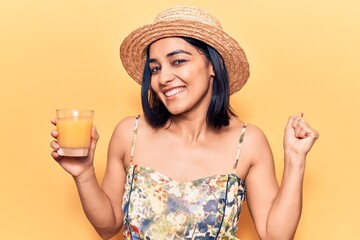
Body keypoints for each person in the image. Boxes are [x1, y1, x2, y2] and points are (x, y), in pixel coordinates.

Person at [50, 5, 319, 240]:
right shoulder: (129, 134)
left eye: (177, 61)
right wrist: (84, 173)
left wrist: (295, 160)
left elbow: (276, 236)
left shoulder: (248, 142)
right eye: (155, 68)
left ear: (214, 66)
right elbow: (108, 227)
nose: (163, 77)